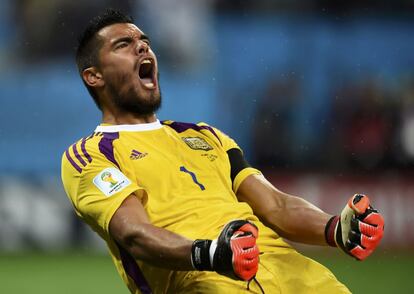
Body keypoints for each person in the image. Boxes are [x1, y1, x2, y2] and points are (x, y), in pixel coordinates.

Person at [61, 9, 384, 294]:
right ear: (94, 76)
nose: (142, 46)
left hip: (296, 275)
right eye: (123, 45)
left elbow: (275, 205)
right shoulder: (90, 156)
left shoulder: (204, 135)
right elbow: (135, 234)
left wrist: (334, 229)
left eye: (144, 40)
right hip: (203, 281)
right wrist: (213, 253)